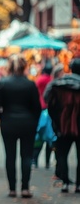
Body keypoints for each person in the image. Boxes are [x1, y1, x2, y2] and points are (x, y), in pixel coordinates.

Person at [0, 54, 42, 198]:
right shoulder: (30, 84)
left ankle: (12, 189)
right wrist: (33, 120)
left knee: (10, 155)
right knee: (26, 156)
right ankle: (25, 188)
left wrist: (1, 117)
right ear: (24, 67)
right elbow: (37, 107)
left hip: (8, 123)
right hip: (28, 123)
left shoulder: (3, 83)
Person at [45, 59, 80, 193]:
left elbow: (49, 101)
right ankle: (78, 184)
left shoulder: (58, 84)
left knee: (62, 154)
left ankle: (65, 182)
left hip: (63, 126)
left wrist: (57, 121)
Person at [32, 62, 54, 168]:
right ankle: (47, 162)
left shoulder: (40, 79)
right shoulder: (52, 80)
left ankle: (34, 160)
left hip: (41, 108)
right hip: (49, 109)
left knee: (39, 135)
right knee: (49, 135)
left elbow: (35, 90)